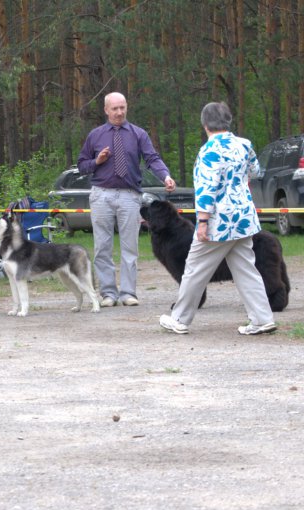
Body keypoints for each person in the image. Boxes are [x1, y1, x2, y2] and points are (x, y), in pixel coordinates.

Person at [159, 102, 276, 336]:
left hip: (218, 222)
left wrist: (202, 222)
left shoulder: (208, 151)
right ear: (228, 121)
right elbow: (256, 171)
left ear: (205, 125)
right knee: (246, 269)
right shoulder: (245, 145)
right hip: (244, 219)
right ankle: (263, 318)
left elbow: (206, 189)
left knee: (194, 269)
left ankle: (180, 318)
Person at [77, 92, 176, 307]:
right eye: (115, 108)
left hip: (130, 196)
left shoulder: (138, 134)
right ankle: (108, 294)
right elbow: (82, 165)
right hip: (101, 194)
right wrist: (97, 161)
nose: (119, 112)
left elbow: (152, 158)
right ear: (106, 110)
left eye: (123, 108)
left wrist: (166, 176)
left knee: (130, 247)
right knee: (102, 246)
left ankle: (128, 293)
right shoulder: (95, 135)